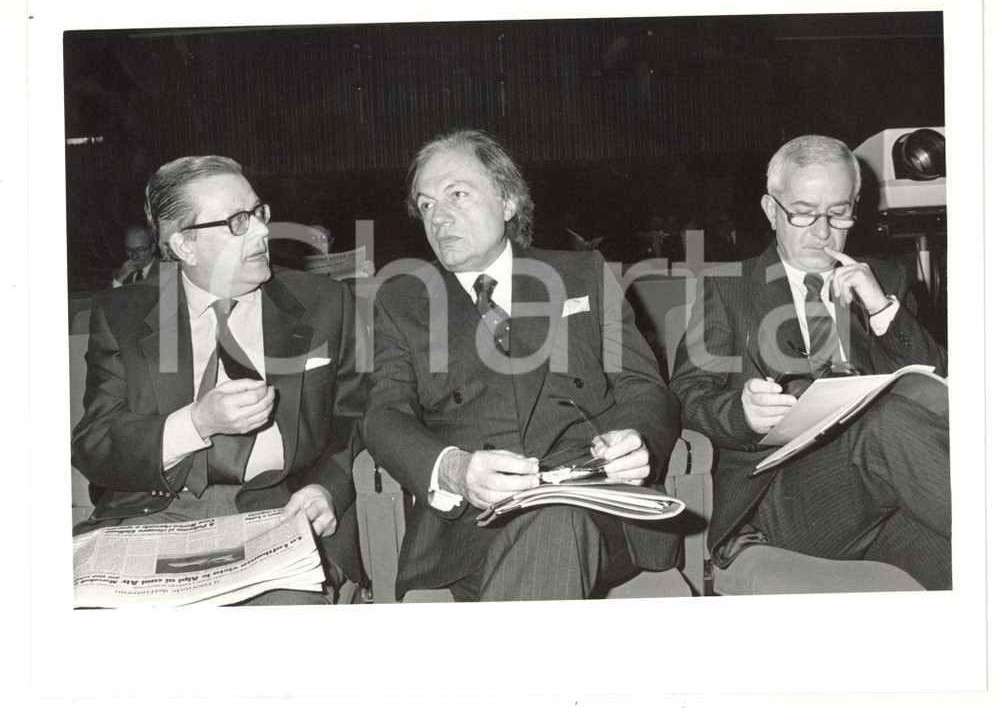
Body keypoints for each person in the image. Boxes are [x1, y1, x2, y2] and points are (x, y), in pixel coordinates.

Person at [363, 129, 681, 602]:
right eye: (426, 204)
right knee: (549, 534)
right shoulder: (403, 299)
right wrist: (453, 469)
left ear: (508, 201)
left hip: (598, 511)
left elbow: (644, 388)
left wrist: (638, 438)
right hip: (472, 526)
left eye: (456, 194)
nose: (438, 216)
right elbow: (382, 416)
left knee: (559, 520)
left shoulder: (582, 274)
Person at [72, 155, 366, 604]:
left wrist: (326, 486)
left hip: (281, 513)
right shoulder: (123, 315)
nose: (265, 231)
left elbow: (354, 415)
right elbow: (95, 443)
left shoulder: (325, 303)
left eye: (258, 212)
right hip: (154, 515)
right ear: (184, 246)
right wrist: (196, 423)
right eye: (237, 222)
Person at [670, 135, 950, 589]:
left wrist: (882, 309)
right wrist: (741, 414)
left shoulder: (887, 280)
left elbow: (941, 393)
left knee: (960, 567)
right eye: (803, 212)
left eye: (839, 212)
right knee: (884, 423)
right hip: (775, 496)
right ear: (771, 210)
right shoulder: (728, 288)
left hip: (877, 494)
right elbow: (685, 397)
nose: (823, 232)